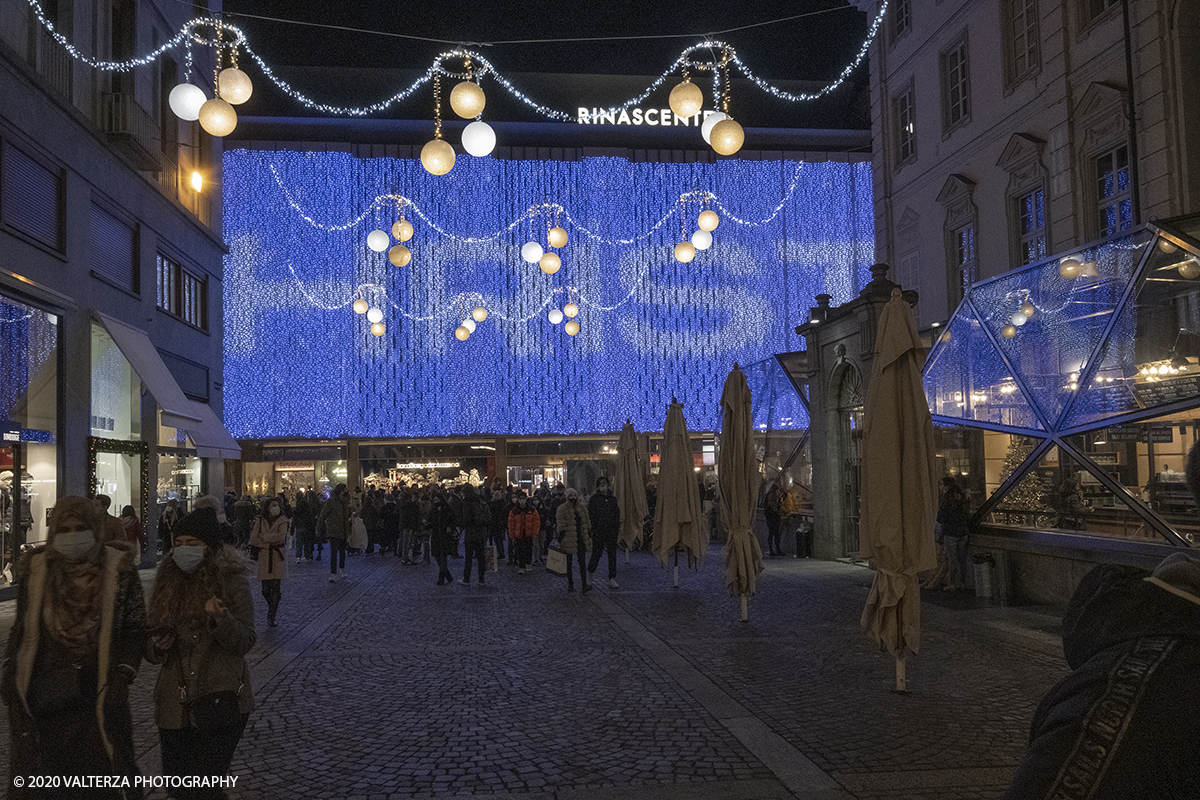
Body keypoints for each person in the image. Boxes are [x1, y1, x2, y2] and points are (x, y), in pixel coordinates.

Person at [2, 496, 146, 798]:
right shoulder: (37, 570)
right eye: (64, 529)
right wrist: (9, 670)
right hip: (46, 701)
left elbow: (134, 628)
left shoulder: (118, 570)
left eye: (80, 527)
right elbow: (22, 630)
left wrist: (123, 674)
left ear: (95, 528)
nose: (72, 535)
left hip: (98, 699)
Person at [146, 506, 255, 799]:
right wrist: (156, 645)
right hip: (174, 704)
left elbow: (245, 640)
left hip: (220, 697)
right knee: (178, 788)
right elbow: (149, 637)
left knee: (205, 787)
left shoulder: (232, 579)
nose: (183, 551)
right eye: (178, 544)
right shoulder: (166, 579)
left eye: (192, 544)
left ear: (209, 545)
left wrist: (221, 619)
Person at [249, 497, 288, 627]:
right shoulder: (260, 521)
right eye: (273, 505)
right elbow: (253, 539)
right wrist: (267, 543)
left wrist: (264, 537)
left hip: (277, 556)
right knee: (265, 590)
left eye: (277, 505)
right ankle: (273, 605)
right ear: (267, 508)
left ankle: (271, 615)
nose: (275, 507)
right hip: (265, 556)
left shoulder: (283, 520)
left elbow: (281, 537)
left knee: (276, 586)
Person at [937, 477, 970, 591]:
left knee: (952, 559)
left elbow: (940, 518)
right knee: (962, 558)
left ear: (947, 487)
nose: (940, 488)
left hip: (950, 532)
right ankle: (962, 582)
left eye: (942, 485)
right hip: (963, 532)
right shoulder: (963, 499)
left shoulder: (947, 500)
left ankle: (952, 583)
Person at [587, 476, 621, 588]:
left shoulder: (613, 499)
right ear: (597, 486)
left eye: (604, 483)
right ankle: (590, 575)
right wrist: (594, 529)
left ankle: (612, 578)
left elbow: (617, 514)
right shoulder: (594, 499)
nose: (603, 485)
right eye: (601, 484)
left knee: (612, 555)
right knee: (596, 553)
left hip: (611, 531)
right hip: (599, 532)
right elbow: (591, 515)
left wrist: (616, 528)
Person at [556, 488, 592, 594]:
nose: (573, 498)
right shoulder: (562, 509)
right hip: (568, 538)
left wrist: (589, 536)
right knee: (569, 562)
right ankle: (570, 584)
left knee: (582, 562)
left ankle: (584, 584)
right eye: (570, 496)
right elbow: (561, 526)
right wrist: (560, 539)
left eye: (574, 495)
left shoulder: (582, 508)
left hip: (581, 538)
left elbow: (587, 523)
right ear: (566, 497)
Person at [316, 483, 351, 583]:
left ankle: (342, 568)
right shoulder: (331, 501)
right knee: (334, 552)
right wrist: (318, 528)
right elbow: (323, 515)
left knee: (342, 551)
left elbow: (346, 516)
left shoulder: (345, 502)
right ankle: (333, 573)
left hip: (344, 530)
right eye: (344, 489)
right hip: (334, 530)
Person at [459, 486, 491, 586]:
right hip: (481, 534)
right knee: (481, 558)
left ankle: (466, 579)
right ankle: (481, 579)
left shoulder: (467, 504)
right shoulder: (483, 504)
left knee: (468, 558)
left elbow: (465, 520)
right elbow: (489, 518)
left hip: (470, 534)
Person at [508, 493, 540, 574]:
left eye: (523, 498)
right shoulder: (514, 511)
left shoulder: (532, 510)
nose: (522, 500)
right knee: (519, 551)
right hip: (518, 534)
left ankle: (528, 563)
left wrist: (535, 533)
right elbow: (511, 524)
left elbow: (536, 522)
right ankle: (521, 566)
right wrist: (512, 535)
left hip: (529, 534)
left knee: (528, 550)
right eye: (520, 498)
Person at [429, 493, 456, 586]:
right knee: (437, 557)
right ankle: (447, 574)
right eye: (434, 501)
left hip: (445, 536)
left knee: (443, 557)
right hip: (436, 536)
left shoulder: (447, 509)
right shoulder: (433, 510)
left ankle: (441, 578)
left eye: (437, 500)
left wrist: (450, 527)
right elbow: (430, 520)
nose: (436, 502)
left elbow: (454, 520)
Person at [292, 491, 317, 563]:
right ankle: (307, 557)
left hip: (299, 528)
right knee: (306, 543)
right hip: (306, 529)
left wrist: (292, 531)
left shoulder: (297, 512)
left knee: (299, 543)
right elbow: (311, 521)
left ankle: (298, 557)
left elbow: (294, 521)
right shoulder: (308, 512)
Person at [763, 481, 784, 557]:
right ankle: (776, 549)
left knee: (771, 533)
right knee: (775, 533)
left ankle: (772, 549)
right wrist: (780, 500)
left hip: (770, 517)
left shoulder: (769, 495)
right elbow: (775, 507)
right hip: (774, 517)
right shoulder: (774, 495)